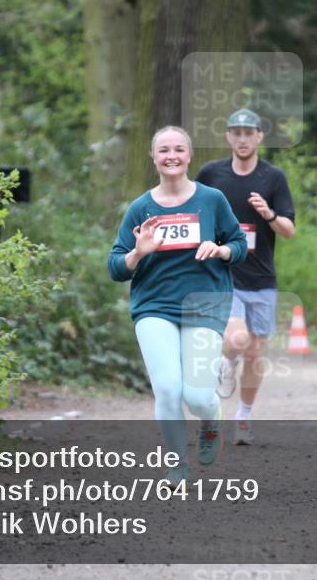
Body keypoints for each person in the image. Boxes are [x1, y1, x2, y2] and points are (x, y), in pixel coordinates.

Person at [108, 126, 248, 486]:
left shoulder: (212, 199)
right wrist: (138, 252)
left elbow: (239, 244)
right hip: (154, 306)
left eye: (179, 149)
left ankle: (211, 417)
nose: (172, 156)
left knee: (198, 396)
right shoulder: (141, 207)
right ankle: (176, 463)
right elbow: (115, 266)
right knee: (168, 388)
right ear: (153, 157)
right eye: (164, 150)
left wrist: (221, 250)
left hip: (204, 304)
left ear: (189, 156)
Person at [196, 108, 295, 445]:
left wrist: (268, 213)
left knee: (255, 354)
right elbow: (191, 209)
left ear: (259, 137)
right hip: (224, 275)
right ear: (228, 137)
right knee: (236, 341)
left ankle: (243, 416)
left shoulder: (273, 178)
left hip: (262, 278)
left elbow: (289, 229)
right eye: (235, 133)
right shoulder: (211, 174)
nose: (242, 138)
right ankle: (224, 362)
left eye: (247, 133)